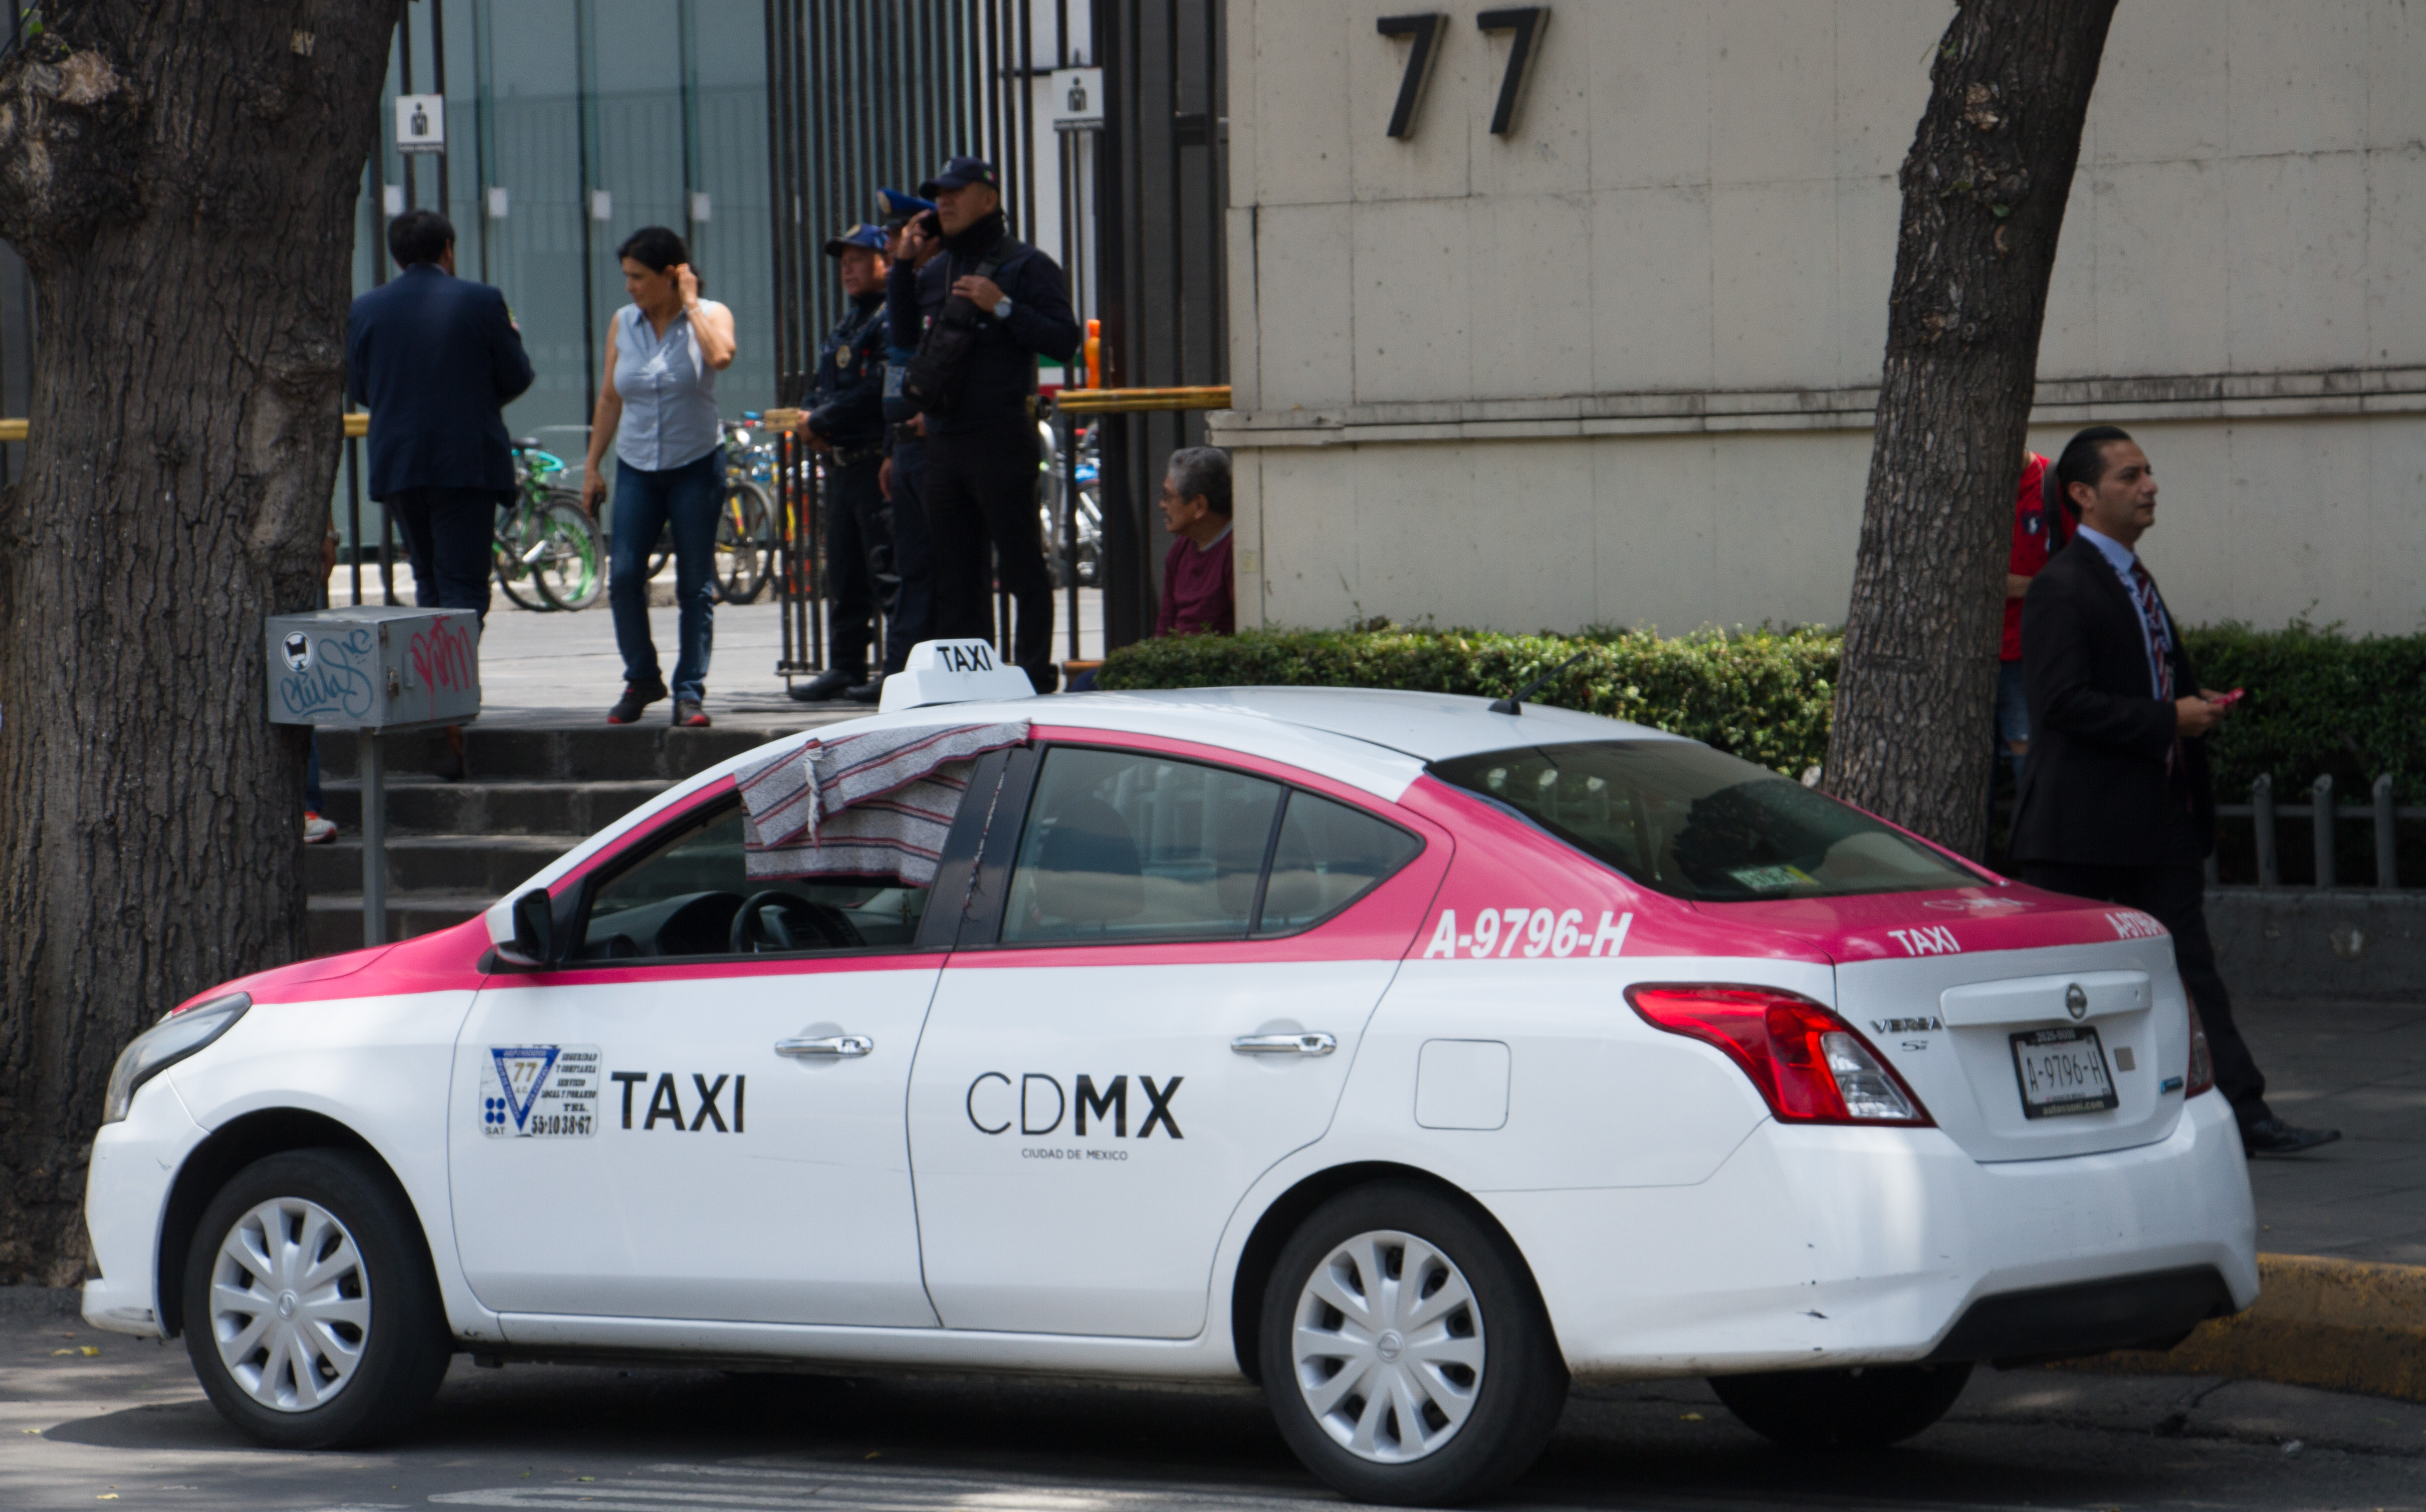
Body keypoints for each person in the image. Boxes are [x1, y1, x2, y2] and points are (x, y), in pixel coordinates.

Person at [2012, 425, 2338, 1157]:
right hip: (2081, 836)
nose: (2148, 485)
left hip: (2156, 821)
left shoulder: (2134, 577)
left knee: (2190, 969)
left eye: (2148, 471)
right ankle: (2073, 1119)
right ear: (2082, 494)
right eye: (2128, 476)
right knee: (2075, 989)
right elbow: (2060, 703)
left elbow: (2137, 678)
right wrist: (2168, 716)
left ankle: (2242, 1112)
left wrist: (2192, 704)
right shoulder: (2063, 586)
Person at [345, 208, 533, 777]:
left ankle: (437, 699)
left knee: (429, 579)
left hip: (400, 460)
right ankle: (443, 697)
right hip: (464, 460)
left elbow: (361, 386)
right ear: (448, 248)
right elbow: (517, 375)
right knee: (464, 586)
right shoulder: (482, 300)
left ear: (398, 254)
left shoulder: (366, 308)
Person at [909, 156, 1081, 693]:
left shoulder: (1027, 265)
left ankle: (1032, 673)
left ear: (989, 197)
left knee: (1022, 564)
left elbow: (1064, 340)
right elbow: (915, 346)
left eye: (956, 193)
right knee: (955, 574)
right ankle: (971, 682)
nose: (945, 202)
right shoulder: (935, 270)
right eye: (939, 195)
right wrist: (900, 266)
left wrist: (1003, 307)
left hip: (1000, 434)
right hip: (944, 439)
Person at [581, 226, 737, 728]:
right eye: (626, 276)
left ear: (674, 275)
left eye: (639, 277)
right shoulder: (623, 323)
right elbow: (610, 397)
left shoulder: (710, 316)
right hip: (637, 467)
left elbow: (721, 357)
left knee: (695, 583)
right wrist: (592, 466)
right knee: (624, 575)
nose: (629, 287)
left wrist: (690, 304)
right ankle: (643, 676)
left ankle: (689, 690)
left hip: (696, 464)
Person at [788, 225, 897, 703]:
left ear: (884, 262)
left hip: (876, 460)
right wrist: (808, 417)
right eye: (843, 261)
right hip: (841, 464)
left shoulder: (890, 317)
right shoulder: (847, 324)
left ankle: (896, 667)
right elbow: (822, 384)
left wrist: (823, 417)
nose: (848, 269)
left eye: (859, 259)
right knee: (845, 570)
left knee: (886, 569)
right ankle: (846, 663)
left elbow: (877, 386)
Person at [1995, 449, 2078, 787]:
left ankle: (2036, 839)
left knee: (2029, 761)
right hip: (1966, 658)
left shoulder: (2053, 485)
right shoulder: (1961, 484)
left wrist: (2026, 587)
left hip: (2028, 653)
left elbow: (2084, 573)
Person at [1155, 446, 1236, 638]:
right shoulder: (1180, 549)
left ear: (1199, 505)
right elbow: (1165, 627)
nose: (1162, 505)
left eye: (1168, 497)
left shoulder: (1234, 550)